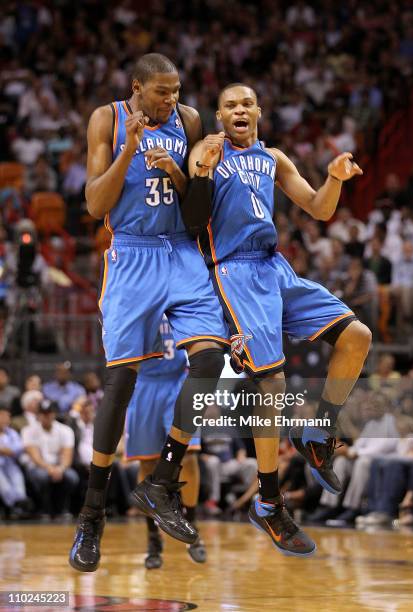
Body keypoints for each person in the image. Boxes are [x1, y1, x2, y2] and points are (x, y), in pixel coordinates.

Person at [155, 82, 371, 556]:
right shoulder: (205, 153)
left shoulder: (273, 158)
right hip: (234, 270)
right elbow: (192, 221)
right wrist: (202, 174)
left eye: (246, 103)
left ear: (259, 112)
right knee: (270, 381)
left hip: (275, 267)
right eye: (230, 104)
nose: (239, 109)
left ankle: (318, 433)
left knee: (357, 335)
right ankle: (269, 502)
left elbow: (319, 208)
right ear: (218, 116)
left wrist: (334, 177)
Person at [69, 53, 229, 572]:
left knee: (209, 359)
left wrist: (185, 177)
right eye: (162, 91)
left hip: (180, 251)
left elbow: (196, 210)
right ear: (137, 86)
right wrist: (129, 153)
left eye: (177, 90)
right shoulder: (107, 119)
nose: (172, 100)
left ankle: (163, 481)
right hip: (133, 253)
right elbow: (96, 204)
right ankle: (92, 516)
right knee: (120, 383)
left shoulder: (188, 122)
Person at [125, 317, 205, 569]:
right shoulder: (136, 293)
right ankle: (153, 538)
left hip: (178, 382)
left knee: (190, 456)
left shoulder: (180, 290)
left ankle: (191, 529)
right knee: (148, 464)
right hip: (144, 385)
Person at [21, 399, 79, 520]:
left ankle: (61, 509)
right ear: (38, 415)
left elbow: (67, 456)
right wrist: (49, 468)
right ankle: (43, 509)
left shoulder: (65, 430)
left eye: (49, 413)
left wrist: (60, 468)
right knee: (42, 477)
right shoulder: (28, 430)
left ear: (54, 414)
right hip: (38, 466)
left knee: (72, 477)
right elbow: (35, 456)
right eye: (43, 413)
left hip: (59, 466)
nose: (46, 416)